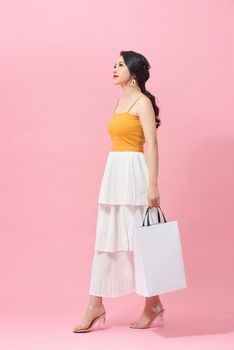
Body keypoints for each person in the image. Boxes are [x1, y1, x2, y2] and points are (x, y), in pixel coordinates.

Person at [73, 50, 165, 333]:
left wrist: (152, 184)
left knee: (140, 240)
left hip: (134, 174)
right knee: (106, 238)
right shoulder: (119, 102)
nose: (114, 68)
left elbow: (152, 143)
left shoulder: (142, 103)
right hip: (114, 172)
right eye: (113, 64)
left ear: (134, 72)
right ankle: (95, 304)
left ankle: (152, 304)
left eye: (120, 65)